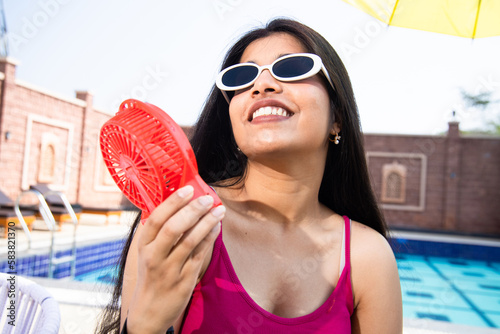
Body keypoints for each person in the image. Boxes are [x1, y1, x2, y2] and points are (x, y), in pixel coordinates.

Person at [96, 18, 403, 334]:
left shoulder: (368, 259)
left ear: (336, 118)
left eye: (293, 67)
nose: (262, 85)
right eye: (242, 77)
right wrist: (146, 324)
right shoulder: (185, 225)